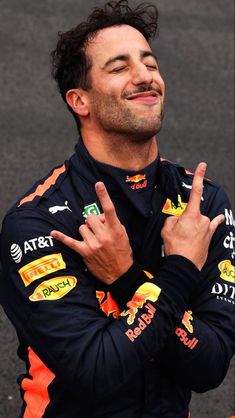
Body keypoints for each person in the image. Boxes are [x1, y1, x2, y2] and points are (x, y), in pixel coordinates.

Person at [0, 1, 234, 417]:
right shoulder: (38, 222)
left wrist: (126, 280)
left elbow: (210, 365)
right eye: (119, 67)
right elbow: (95, 368)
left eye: (149, 63)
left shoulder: (204, 206)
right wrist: (179, 270)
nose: (145, 76)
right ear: (80, 101)